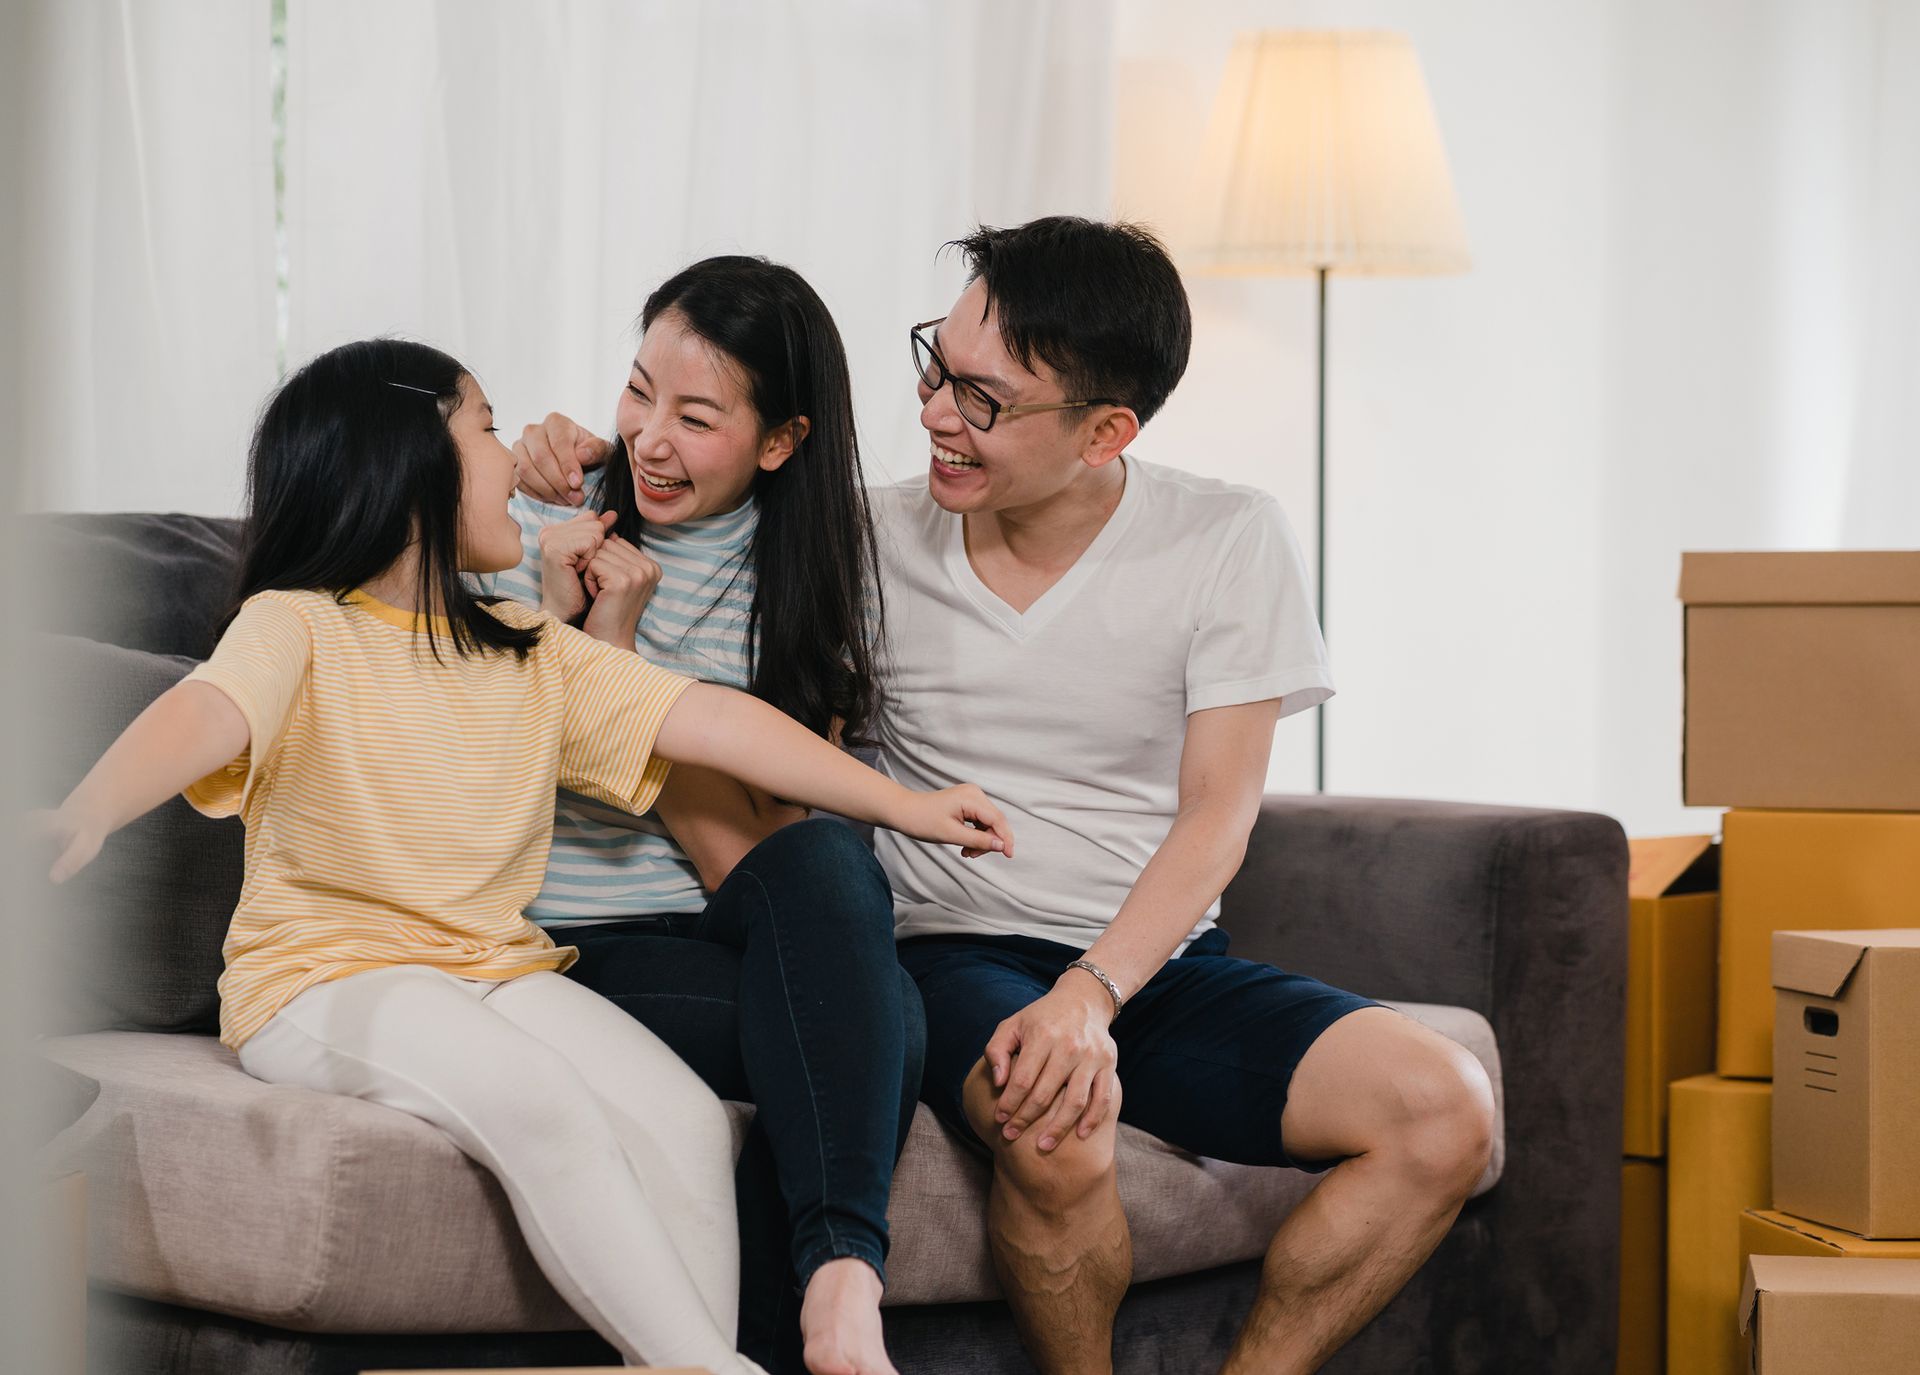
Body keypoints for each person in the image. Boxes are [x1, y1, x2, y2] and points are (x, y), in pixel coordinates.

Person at [35, 338, 1011, 1375]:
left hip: (493, 969)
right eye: (487, 428)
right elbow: (208, 709)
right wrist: (90, 807)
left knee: (681, 1122)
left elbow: (710, 720)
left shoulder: (526, 645)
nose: (519, 459)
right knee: (542, 1102)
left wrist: (903, 802)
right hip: (322, 981)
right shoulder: (298, 626)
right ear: (411, 469)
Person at [875, 217, 1497, 1375]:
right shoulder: (866, 539)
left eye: (982, 399)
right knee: (1052, 1118)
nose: (932, 415)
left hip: (1153, 963)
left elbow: (1221, 811)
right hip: (949, 952)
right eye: (934, 367)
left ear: (1107, 430)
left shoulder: (1225, 535)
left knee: (1447, 1106)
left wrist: (1091, 991)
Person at [495, 256, 919, 1375]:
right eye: (639, 392)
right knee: (878, 1034)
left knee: (831, 872)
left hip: (722, 922)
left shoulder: (811, 576)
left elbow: (770, 862)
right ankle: (840, 1297)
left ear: (782, 441)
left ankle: (829, 1304)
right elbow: (481, 769)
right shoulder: (538, 528)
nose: (649, 439)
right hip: (564, 950)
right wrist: (580, 636)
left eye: (696, 415)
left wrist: (620, 667)